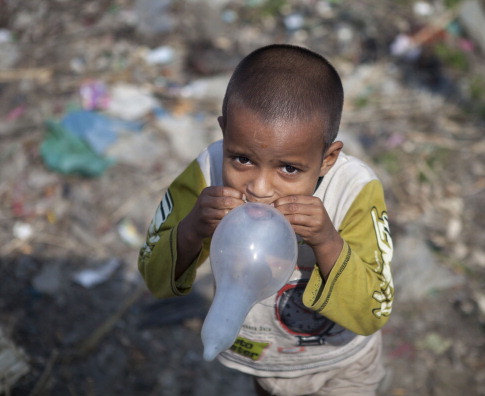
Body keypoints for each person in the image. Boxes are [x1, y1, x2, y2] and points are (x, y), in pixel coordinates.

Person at [138, 44, 394, 396]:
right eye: (242, 159)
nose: (259, 189)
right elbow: (154, 277)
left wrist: (327, 241)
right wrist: (193, 227)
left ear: (327, 159)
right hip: (261, 361)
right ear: (224, 132)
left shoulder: (353, 191)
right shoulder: (207, 173)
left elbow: (373, 311)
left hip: (341, 365)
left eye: (289, 169)